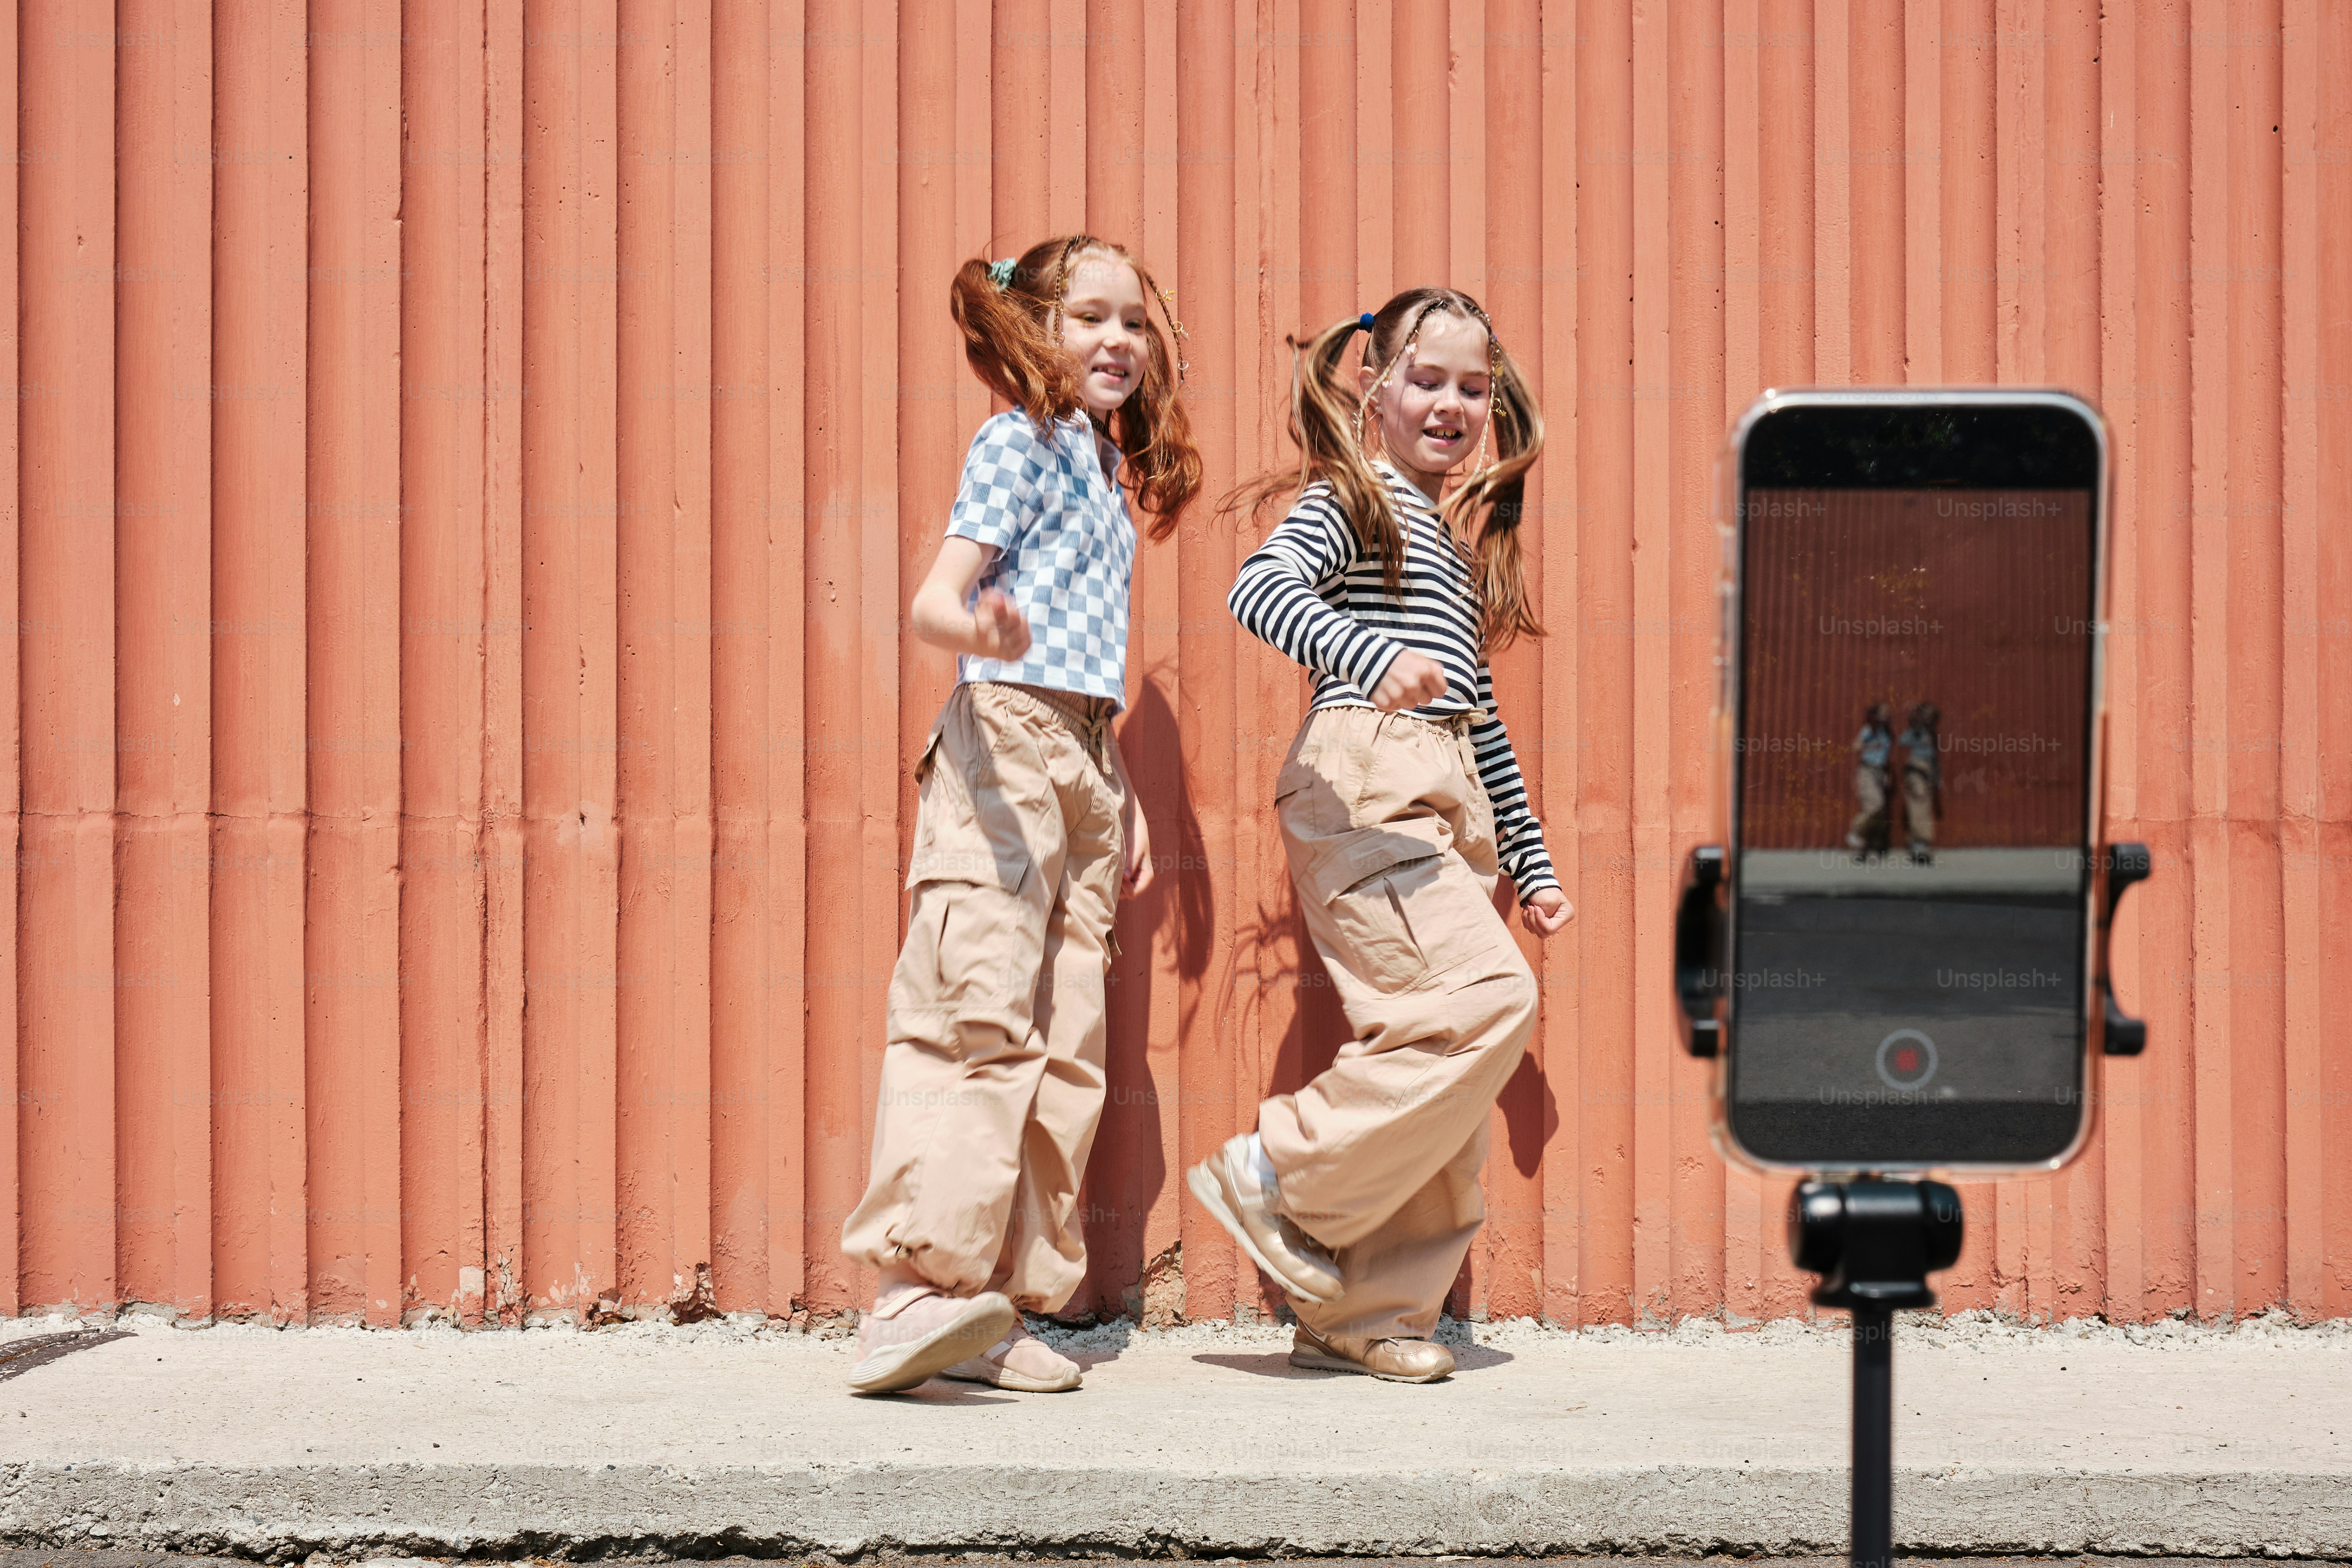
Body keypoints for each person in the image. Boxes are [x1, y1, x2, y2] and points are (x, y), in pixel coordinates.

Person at [841, 236, 1202, 1395]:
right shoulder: (1020, 441)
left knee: (1068, 1043)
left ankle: (993, 1304)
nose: (1118, 342)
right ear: (1036, 330)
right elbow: (932, 601)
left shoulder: (1100, 467)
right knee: (975, 1008)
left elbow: (1090, 649)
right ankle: (910, 1295)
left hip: (1080, 761)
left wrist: (1122, 782)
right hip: (1004, 743)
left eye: (1133, 322)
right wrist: (980, 639)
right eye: (1090, 317)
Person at [1192, 288, 1573, 1384]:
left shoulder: (1448, 546)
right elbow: (1256, 588)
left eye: (1472, 387)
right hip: (1366, 782)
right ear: (1374, 387)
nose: (1451, 404)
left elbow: (1484, 725)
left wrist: (1533, 865)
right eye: (1428, 379)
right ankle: (1278, 1169)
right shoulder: (1352, 501)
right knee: (1487, 1002)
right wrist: (1364, 655)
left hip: (1440, 797)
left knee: (1443, 1078)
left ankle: (1363, 1311)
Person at [1846, 702, 1894, 860]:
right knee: (1875, 806)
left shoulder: (1886, 732)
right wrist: (1872, 746)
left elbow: (1885, 754)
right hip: (1868, 771)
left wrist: (1887, 774)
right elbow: (1856, 747)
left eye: (1887, 713)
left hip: (1880, 772)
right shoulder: (1869, 730)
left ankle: (1866, 850)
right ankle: (1855, 830)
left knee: (1877, 814)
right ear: (1876, 715)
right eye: (1883, 713)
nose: (1887, 716)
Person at [1897, 701, 1941, 865]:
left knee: (1923, 807)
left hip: (1928, 772)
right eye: (1927, 717)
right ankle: (1920, 844)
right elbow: (1903, 741)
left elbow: (1935, 759)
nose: (1929, 721)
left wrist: (1938, 779)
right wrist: (1915, 719)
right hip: (1916, 770)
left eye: (1932, 718)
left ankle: (1919, 843)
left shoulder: (1931, 735)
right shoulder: (1915, 732)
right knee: (1918, 805)